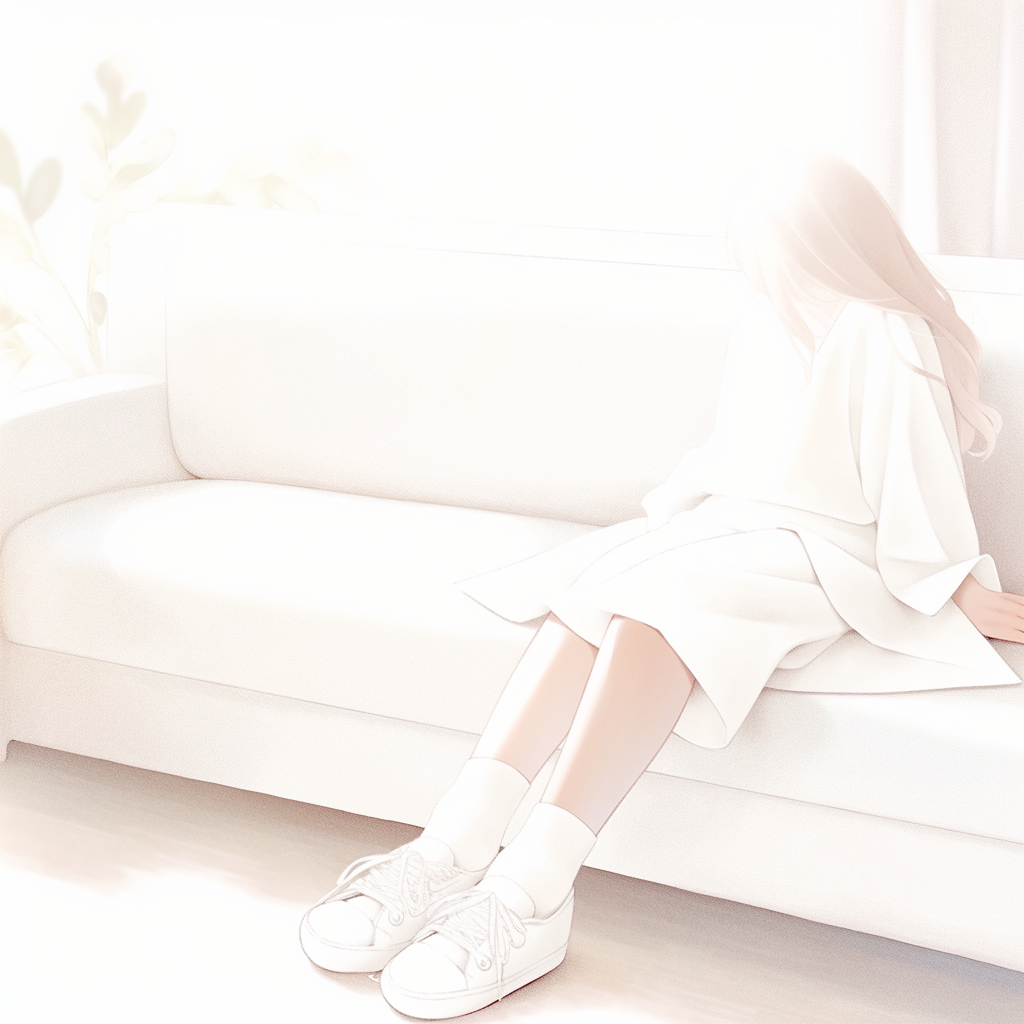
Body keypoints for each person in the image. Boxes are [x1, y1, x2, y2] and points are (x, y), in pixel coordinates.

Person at [298, 151, 1024, 1019]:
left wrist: (949, 583)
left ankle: (530, 894)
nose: (765, 268)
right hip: (740, 529)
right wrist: (667, 530)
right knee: (594, 591)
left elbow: (914, 481)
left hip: (833, 556)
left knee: (654, 608)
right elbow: (732, 457)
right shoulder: (769, 319)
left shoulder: (883, 330)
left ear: (830, 241)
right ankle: (448, 849)